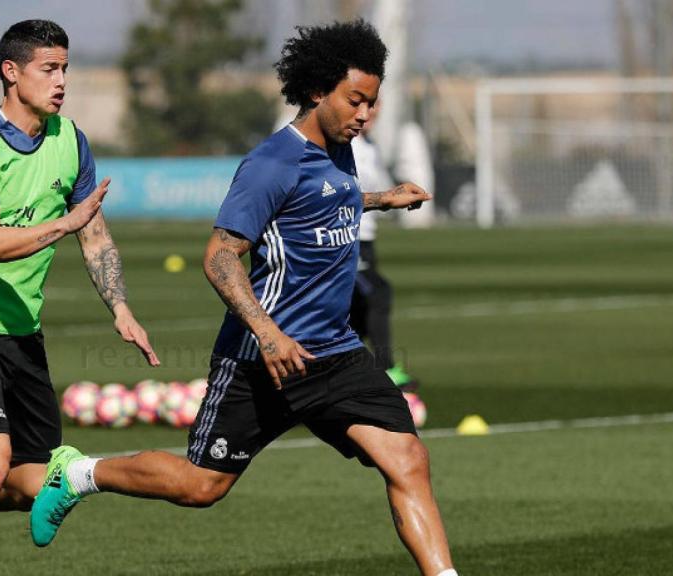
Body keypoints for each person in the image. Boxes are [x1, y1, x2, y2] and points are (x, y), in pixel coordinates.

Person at [29, 20, 457, 576]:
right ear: (317, 91)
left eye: (372, 104)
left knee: (408, 460)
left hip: (335, 351)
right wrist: (269, 334)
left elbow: (322, 202)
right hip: (264, 359)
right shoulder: (271, 163)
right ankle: (79, 474)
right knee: (201, 486)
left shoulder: (340, 148)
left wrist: (380, 199)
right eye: (356, 101)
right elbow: (220, 257)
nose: (365, 115)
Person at [0, 19, 159, 575]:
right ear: (10, 73)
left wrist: (121, 308)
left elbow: (95, 232)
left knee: (33, 483)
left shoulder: (71, 140)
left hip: (23, 332)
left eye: (65, 68)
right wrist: (64, 223)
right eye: (49, 69)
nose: (61, 80)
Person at [350, 114, 418, 390]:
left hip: (366, 238)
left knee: (356, 311)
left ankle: (342, 373)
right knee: (378, 294)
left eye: (375, 104)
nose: (370, 111)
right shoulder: (347, 145)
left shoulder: (370, 145)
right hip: (349, 239)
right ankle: (386, 368)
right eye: (362, 102)